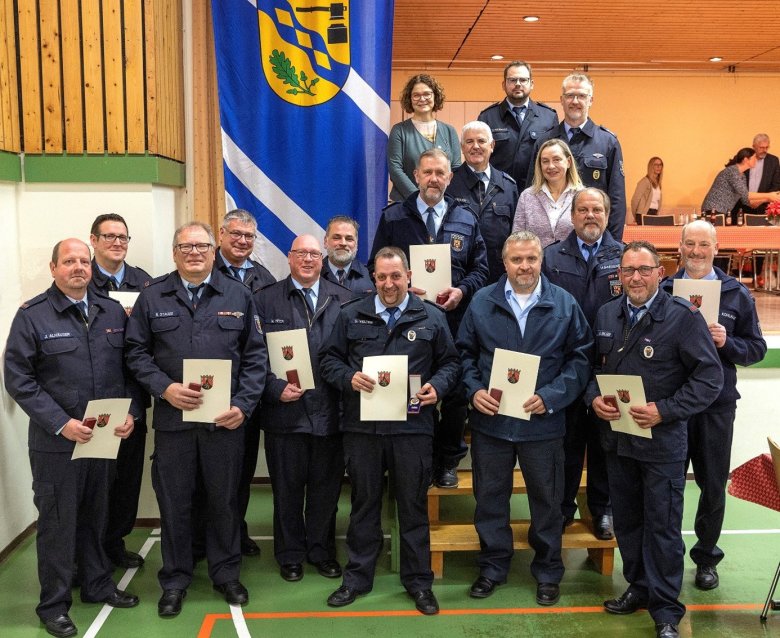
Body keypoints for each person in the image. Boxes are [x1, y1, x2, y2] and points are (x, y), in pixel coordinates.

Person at [125, 222, 267, 617]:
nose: (194, 253)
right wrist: (164, 388)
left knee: (224, 502)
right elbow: (136, 354)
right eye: (185, 246)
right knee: (175, 504)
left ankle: (226, 574)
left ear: (213, 249)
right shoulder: (153, 296)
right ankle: (175, 579)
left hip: (224, 423)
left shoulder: (238, 294)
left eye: (202, 246)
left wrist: (243, 404)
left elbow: (257, 357)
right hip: (174, 424)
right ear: (174, 253)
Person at [586, 241, 724, 638]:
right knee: (628, 523)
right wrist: (594, 399)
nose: (635, 278)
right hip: (618, 441)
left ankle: (666, 610)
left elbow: (709, 378)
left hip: (662, 445)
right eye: (628, 271)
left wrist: (665, 409)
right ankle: (640, 588)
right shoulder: (607, 314)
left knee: (662, 529)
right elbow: (593, 369)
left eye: (644, 270)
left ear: (659, 273)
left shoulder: (682, 317)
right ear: (620, 276)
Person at [4, 239, 140, 638]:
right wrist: (62, 423)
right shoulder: (32, 316)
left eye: (83, 261)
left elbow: (130, 369)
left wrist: (131, 413)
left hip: (102, 439)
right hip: (57, 444)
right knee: (59, 524)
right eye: (69, 261)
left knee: (98, 516)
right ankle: (54, 604)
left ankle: (97, 584)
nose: (78, 267)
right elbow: (19, 379)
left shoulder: (112, 311)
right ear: (53, 268)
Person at [320, 246, 461, 615]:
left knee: (413, 507)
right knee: (364, 505)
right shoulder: (351, 315)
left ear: (409, 276)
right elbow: (328, 360)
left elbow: (450, 363)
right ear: (373, 279)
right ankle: (357, 579)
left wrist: (438, 386)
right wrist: (348, 376)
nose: (388, 283)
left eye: (396, 276)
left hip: (413, 429)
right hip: (362, 429)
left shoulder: (430, 317)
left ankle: (418, 583)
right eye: (381, 277)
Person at [458, 231, 592, 606]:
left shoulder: (564, 304)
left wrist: (551, 397)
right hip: (493, 424)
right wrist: (473, 391)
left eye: (532, 259)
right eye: (517, 260)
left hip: (544, 425)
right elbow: (464, 355)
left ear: (541, 260)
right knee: (489, 499)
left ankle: (548, 571)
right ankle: (492, 567)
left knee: (547, 502)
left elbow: (581, 359)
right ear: (505, 263)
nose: (525, 266)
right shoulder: (482, 302)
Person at [369, 148, 489, 487]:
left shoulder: (466, 217)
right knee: (411, 387)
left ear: (450, 178)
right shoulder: (394, 218)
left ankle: (446, 461)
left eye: (440, 173)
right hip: (407, 322)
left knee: (453, 394)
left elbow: (481, 268)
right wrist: (402, 287)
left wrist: (462, 291)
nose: (434, 179)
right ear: (416, 176)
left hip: (454, 320)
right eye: (427, 173)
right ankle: (408, 461)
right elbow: (373, 267)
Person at [661, 220, 766, 590]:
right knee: (667, 483)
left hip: (717, 406)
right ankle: (666, 556)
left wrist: (728, 343)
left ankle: (707, 557)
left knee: (712, 484)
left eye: (703, 244)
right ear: (680, 247)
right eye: (689, 243)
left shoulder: (736, 294)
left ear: (716, 247)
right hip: (672, 404)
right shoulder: (664, 290)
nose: (696, 251)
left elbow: (756, 350)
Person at [256, 234, 353, 583]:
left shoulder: (345, 300)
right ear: (289, 257)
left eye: (314, 253)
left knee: (326, 492)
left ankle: (322, 551)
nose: (308, 259)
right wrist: (274, 387)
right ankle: (290, 554)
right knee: (287, 491)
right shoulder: (264, 301)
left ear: (323, 257)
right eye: (301, 253)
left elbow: (353, 354)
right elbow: (251, 358)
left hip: (330, 413)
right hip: (285, 415)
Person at [542, 188, 623, 540]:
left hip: (612, 365)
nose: (590, 216)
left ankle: (602, 509)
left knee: (605, 442)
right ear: (572, 216)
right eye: (583, 210)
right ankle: (562, 507)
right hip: (566, 363)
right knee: (568, 443)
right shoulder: (551, 256)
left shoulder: (624, 256)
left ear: (607, 215)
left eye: (597, 210)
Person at [88, 213, 152, 570]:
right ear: (94, 240)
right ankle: (92, 550)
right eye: (109, 236)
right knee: (97, 481)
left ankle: (114, 542)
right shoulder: (83, 279)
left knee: (127, 480)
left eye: (123, 238)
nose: (117, 243)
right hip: (95, 397)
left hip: (135, 397)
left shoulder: (143, 283)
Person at [213, 208, 275, 557]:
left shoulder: (264, 278)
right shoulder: (206, 270)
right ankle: (206, 537)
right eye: (235, 234)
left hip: (247, 393)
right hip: (206, 391)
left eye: (249, 236)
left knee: (242, 470)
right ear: (221, 235)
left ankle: (236, 531)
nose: (242, 241)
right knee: (205, 476)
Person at [528, 73, 626, 241]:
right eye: (570, 95)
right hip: (552, 240)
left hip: (594, 239)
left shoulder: (608, 142)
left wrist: (612, 245)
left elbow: (616, 200)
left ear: (591, 100)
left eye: (581, 96)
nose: (575, 101)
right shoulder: (544, 142)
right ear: (561, 99)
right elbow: (533, 190)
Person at [447, 120, 519, 283]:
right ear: (462, 147)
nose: (476, 146)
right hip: (460, 276)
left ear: (492, 145)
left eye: (481, 141)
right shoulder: (449, 183)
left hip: (499, 275)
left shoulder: (508, 186)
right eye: (469, 141)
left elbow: (515, 232)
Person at [477, 60, 558, 188]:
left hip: (537, 190)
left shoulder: (548, 117)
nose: (518, 84)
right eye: (512, 80)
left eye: (523, 80)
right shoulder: (487, 117)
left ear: (531, 84)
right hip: (498, 192)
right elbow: (479, 158)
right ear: (504, 84)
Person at [387, 74, 461, 202]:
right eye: (416, 95)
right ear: (409, 99)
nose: (422, 99)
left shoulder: (449, 131)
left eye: (427, 94)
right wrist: (419, 198)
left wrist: (440, 198)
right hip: (406, 203)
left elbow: (456, 168)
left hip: (442, 203)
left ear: (435, 96)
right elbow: (395, 169)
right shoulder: (399, 131)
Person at [513, 138, 583, 247]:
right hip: (536, 263)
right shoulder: (527, 196)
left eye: (556, 159)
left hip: (574, 262)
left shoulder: (583, 196)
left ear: (568, 162)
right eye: (545, 161)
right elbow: (517, 239)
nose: (551, 166)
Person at [701, 147, 780, 215]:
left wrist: (769, 199)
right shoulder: (732, 171)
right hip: (713, 210)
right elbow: (746, 194)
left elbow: (747, 201)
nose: (757, 160)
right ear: (746, 160)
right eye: (754, 157)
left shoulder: (742, 176)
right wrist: (769, 195)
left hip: (722, 212)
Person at [320, 215, 375, 296]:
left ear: (356, 244)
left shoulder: (371, 276)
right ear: (325, 241)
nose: (343, 243)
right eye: (336, 238)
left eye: (349, 239)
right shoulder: (314, 274)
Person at [733, 134, 780, 218]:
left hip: (763, 207)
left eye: (767, 147)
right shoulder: (743, 158)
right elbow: (735, 183)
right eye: (761, 148)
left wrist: (761, 200)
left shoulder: (774, 161)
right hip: (742, 205)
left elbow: (776, 184)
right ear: (754, 147)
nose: (765, 150)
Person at [631, 157, 664, 223]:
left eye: (660, 165)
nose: (658, 167)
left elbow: (657, 202)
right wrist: (636, 216)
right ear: (651, 166)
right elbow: (634, 200)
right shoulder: (645, 181)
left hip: (654, 214)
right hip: (644, 214)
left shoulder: (658, 184)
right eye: (656, 164)